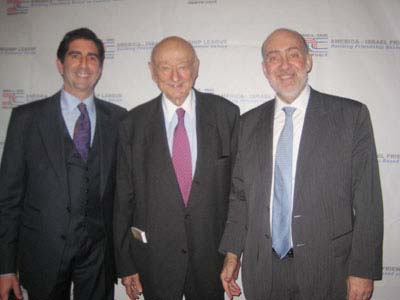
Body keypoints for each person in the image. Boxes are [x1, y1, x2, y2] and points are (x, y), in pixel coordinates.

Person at [219, 28, 383, 300]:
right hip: (263, 270)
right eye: (274, 57)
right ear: (264, 68)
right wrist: (232, 253)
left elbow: (368, 200)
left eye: (293, 55)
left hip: (329, 268)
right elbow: (240, 198)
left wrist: (363, 269)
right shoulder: (247, 125)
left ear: (308, 61)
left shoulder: (350, 117)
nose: (284, 65)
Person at [0, 27, 126, 300]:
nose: (84, 64)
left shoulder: (119, 119)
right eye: (75, 56)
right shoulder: (26, 119)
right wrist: (5, 267)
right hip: (42, 252)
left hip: (98, 255)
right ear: (60, 64)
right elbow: (8, 198)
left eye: (92, 57)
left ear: (100, 67)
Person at [113, 36, 239, 300]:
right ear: (151, 71)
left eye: (183, 66)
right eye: (164, 67)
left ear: (196, 67)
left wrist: (233, 251)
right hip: (153, 260)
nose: (175, 76)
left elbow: (237, 193)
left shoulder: (226, 114)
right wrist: (126, 264)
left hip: (211, 259)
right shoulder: (131, 125)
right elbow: (123, 200)